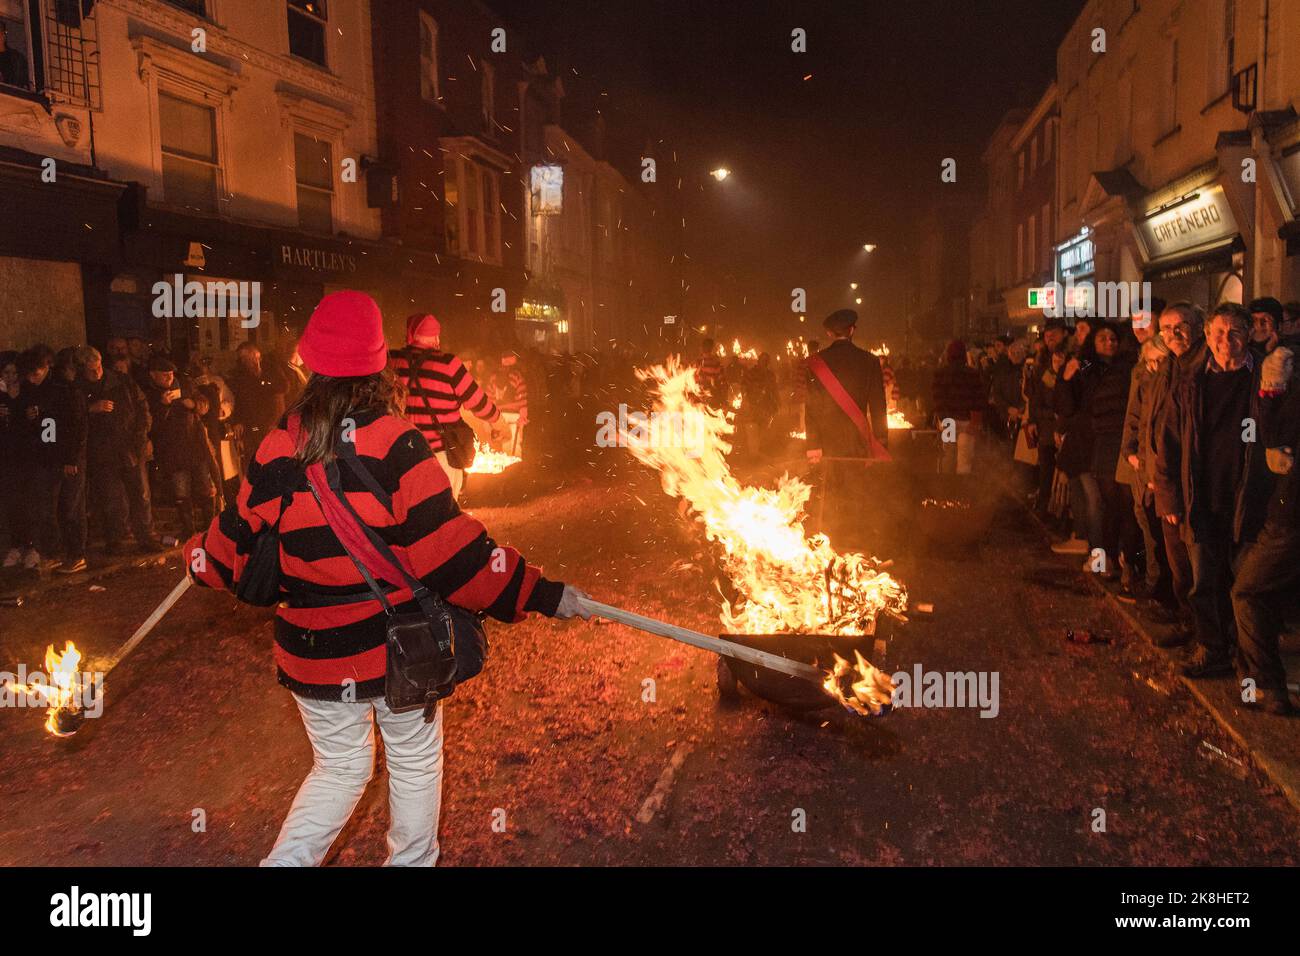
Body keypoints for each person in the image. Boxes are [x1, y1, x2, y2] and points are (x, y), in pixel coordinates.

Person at [183, 290, 591, 866]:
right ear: (379, 368)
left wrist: (194, 558)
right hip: (396, 651)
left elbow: (225, 551)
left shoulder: (278, 446)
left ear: (309, 365)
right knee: (414, 762)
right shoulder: (397, 444)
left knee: (339, 771)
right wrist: (543, 593)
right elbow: (458, 559)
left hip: (312, 652)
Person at [1155, 303, 1272, 679]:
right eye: (1218, 333)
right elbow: (1168, 444)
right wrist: (1169, 497)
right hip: (1199, 499)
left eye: (1235, 332)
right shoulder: (1190, 383)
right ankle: (1212, 649)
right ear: (1207, 337)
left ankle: (1247, 658)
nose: (1226, 341)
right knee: (1203, 582)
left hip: (1247, 499)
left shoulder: (1265, 379)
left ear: (1248, 335)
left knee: (1245, 587)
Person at [1230, 342, 1299, 714]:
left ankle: (1267, 687)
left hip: (1290, 514)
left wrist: (1272, 393)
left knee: (1248, 592)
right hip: (1277, 507)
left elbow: (1273, 435)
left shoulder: (1284, 376)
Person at [390, 313, 501, 500]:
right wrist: (498, 420)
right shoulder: (448, 364)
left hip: (401, 458)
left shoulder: (392, 361)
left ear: (411, 333)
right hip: (441, 458)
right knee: (445, 521)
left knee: (409, 520)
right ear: (436, 337)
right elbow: (479, 403)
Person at [805, 309, 889, 551]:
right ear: (852, 330)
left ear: (829, 333)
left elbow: (811, 410)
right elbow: (878, 407)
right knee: (858, 490)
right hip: (857, 439)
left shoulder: (815, 363)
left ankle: (832, 540)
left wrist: (813, 446)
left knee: (830, 490)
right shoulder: (870, 361)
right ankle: (857, 540)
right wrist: (881, 442)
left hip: (827, 440)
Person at [77, 345, 161, 554]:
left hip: (130, 447)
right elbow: (71, 417)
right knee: (111, 498)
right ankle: (114, 539)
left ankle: (146, 537)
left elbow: (142, 409)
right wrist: (90, 409)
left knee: (140, 494)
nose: (97, 373)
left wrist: (141, 437)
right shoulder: (79, 389)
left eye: (98, 368)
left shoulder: (122, 382)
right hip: (102, 452)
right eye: (91, 370)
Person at [228, 341, 289, 468]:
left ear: (255, 355)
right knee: (252, 461)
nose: (243, 361)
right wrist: (237, 421)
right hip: (252, 426)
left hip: (271, 424)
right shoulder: (242, 374)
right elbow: (240, 399)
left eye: (246, 357)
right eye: (241, 359)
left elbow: (284, 387)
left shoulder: (271, 368)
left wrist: (263, 379)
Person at [931, 339, 984, 476]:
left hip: (948, 420)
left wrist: (943, 418)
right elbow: (978, 399)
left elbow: (938, 399)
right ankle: (962, 489)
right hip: (967, 421)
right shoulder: (972, 374)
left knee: (948, 454)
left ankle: (946, 488)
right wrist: (975, 421)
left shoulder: (940, 373)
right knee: (965, 458)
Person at [0, 21, 29, 90]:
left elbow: (25, 79)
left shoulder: (17, 58)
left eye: (1, 32)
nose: (0, 35)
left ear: (4, 35)